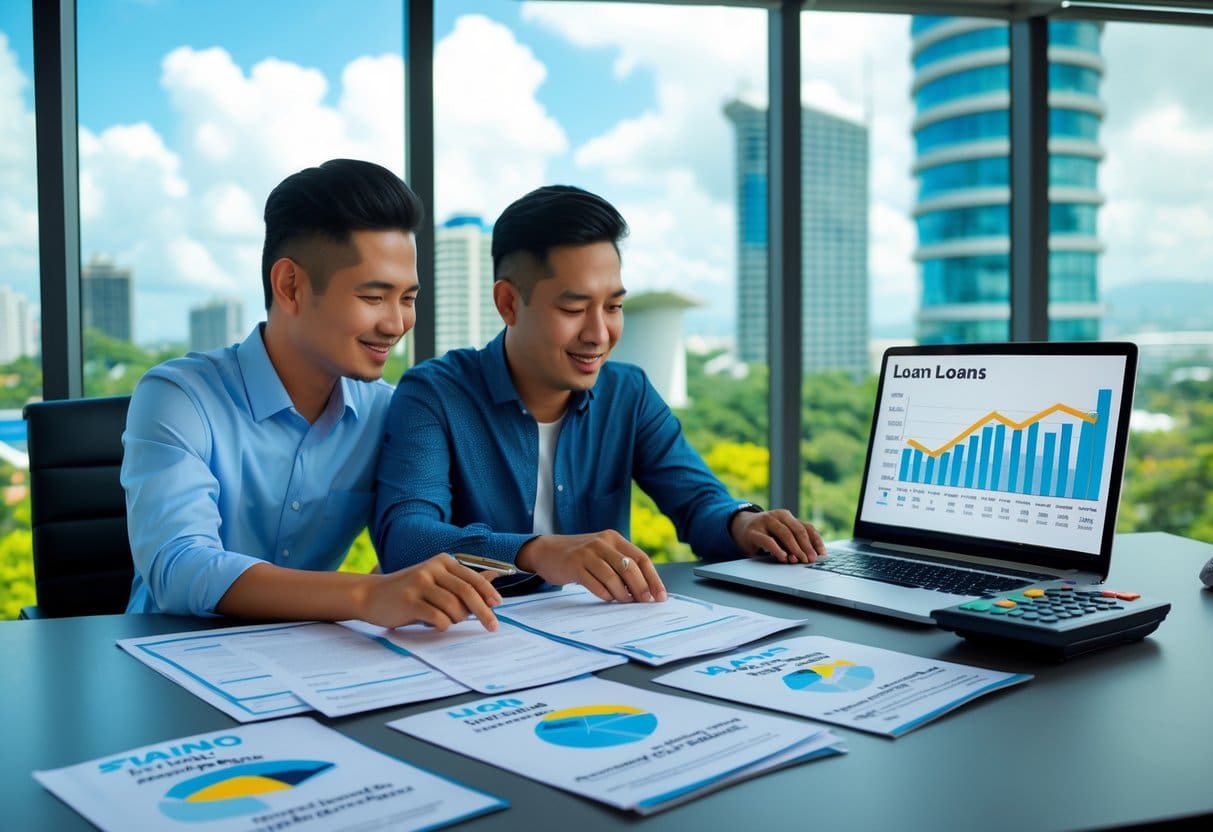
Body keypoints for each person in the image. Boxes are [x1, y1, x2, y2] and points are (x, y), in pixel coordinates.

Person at [373, 184, 826, 604]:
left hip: (601, 644)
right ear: (508, 303)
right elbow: (406, 539)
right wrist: (537, 551)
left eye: (613, 307)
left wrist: (745, 523)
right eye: (573, 308)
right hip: (471, 643)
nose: (598, 333)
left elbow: (699, 502)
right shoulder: (435, 393)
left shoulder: (628, 393)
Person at [121, 159, 501, 630]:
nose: (397, 323)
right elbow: (179, 568)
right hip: (169, 659)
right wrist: (367, 594)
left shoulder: (387, 412)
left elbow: (412, 535)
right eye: (373, 297)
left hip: (310, 664)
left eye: (408, 298)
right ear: (291, 286)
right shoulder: (178, 397)